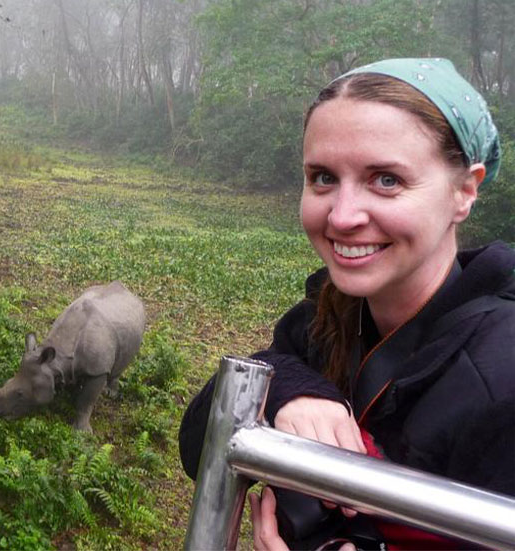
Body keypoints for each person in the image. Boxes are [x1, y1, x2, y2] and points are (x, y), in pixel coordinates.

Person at [179, 58, 512, 550]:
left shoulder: (503, 375)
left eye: (386, 180)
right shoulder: (326, 318)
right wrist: (286, 383)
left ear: (465, 191)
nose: (343, 215)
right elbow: (199, 448)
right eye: (323, 177)